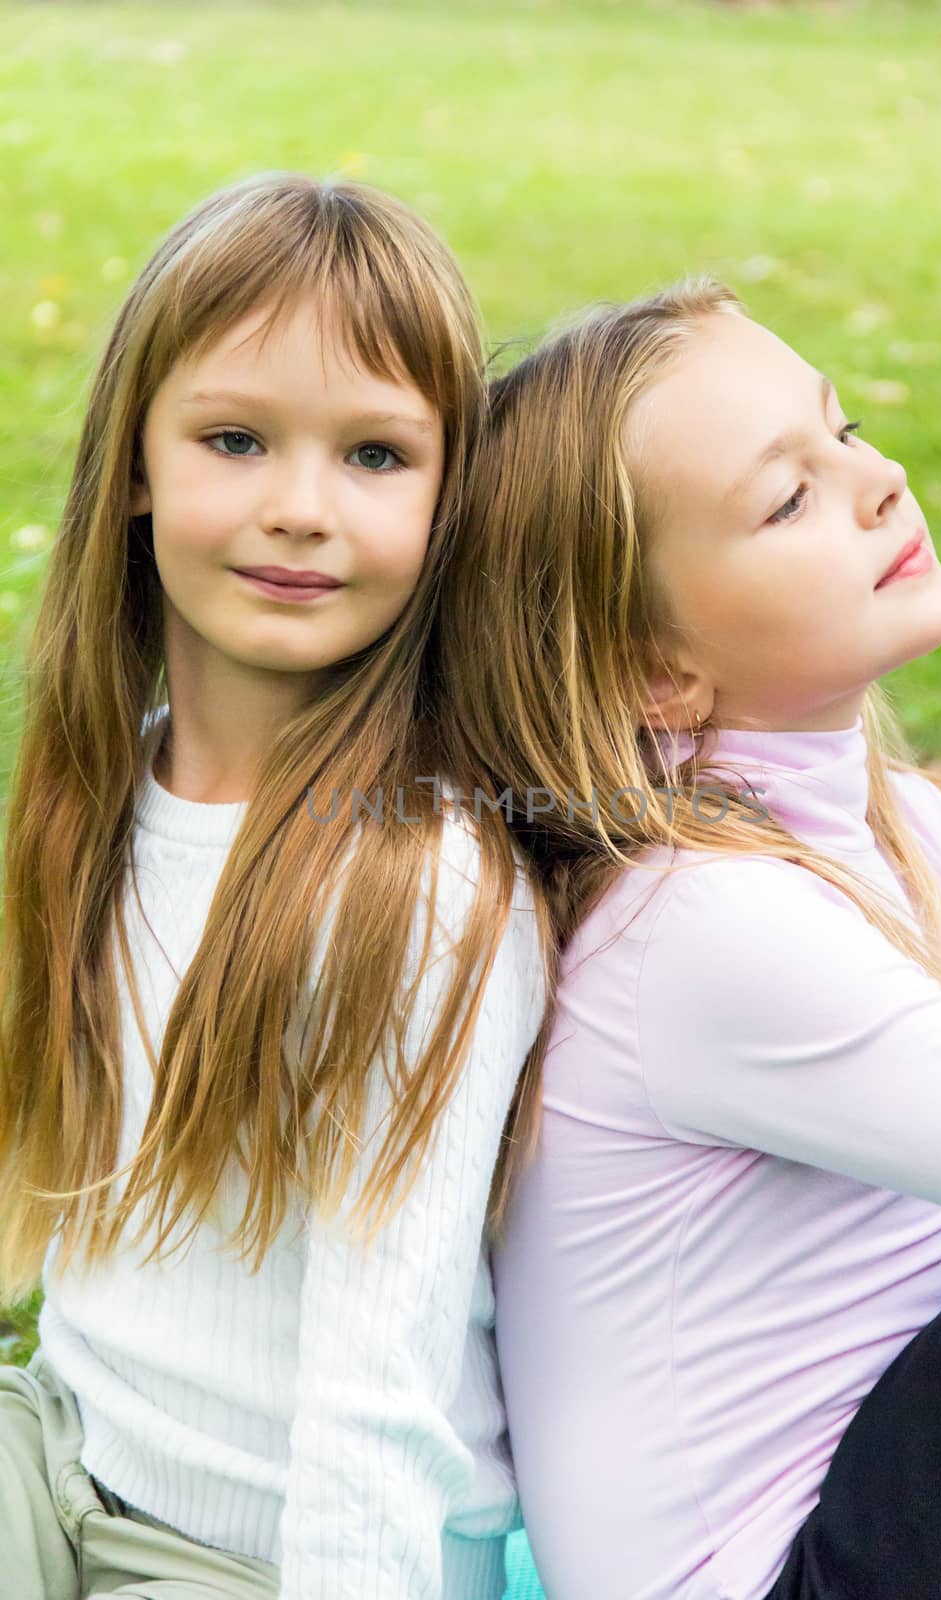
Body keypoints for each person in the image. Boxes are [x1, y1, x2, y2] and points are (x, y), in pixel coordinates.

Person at [429, 277, 941, 1600]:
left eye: (840, 435)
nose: (878, 481)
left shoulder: (902, 829)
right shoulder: (702, 931)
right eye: (788, 498)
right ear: (660, 671)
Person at [0, 172, 547, 1600]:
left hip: (258, 1552)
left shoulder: (416, 882)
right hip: (61, 1454)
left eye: (375, 457)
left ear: (450, 497)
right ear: (135, 462)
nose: (300, 510)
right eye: (236, 440)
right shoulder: (109, 785)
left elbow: (387, 1381)